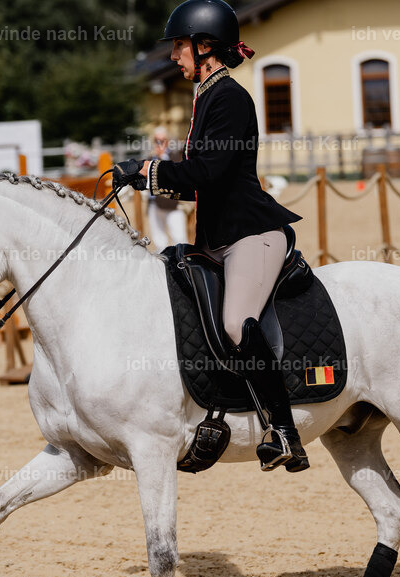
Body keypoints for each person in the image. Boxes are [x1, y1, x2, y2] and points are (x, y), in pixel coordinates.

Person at [113, 0, 307, 473]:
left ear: (205, 47)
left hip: (251, 234)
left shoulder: (230, 97)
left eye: (179, 45)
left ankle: (283, 431)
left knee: (238, 323)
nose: (174, 55)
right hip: (217, 239)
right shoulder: (204, 96)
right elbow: (198, 179)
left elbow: (208, 173)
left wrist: (146, 171)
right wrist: (146, 176)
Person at [146, 127, 187, 251]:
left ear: (168, 141)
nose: (159, 144)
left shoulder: (174, 157)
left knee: (179, 238)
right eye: (157, 140)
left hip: (173, 204)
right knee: (159, 240)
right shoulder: (150, 158)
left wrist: (162, 157)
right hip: (154, 204)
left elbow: (177, 176)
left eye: (162, 140)